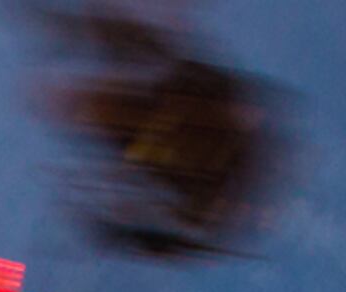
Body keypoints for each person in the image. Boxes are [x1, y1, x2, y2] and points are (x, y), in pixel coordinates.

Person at [39, 7, 287, 259]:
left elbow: (181, 229)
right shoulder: (174, 92)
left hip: (204, 164)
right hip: (199, 148)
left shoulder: (169, 110)